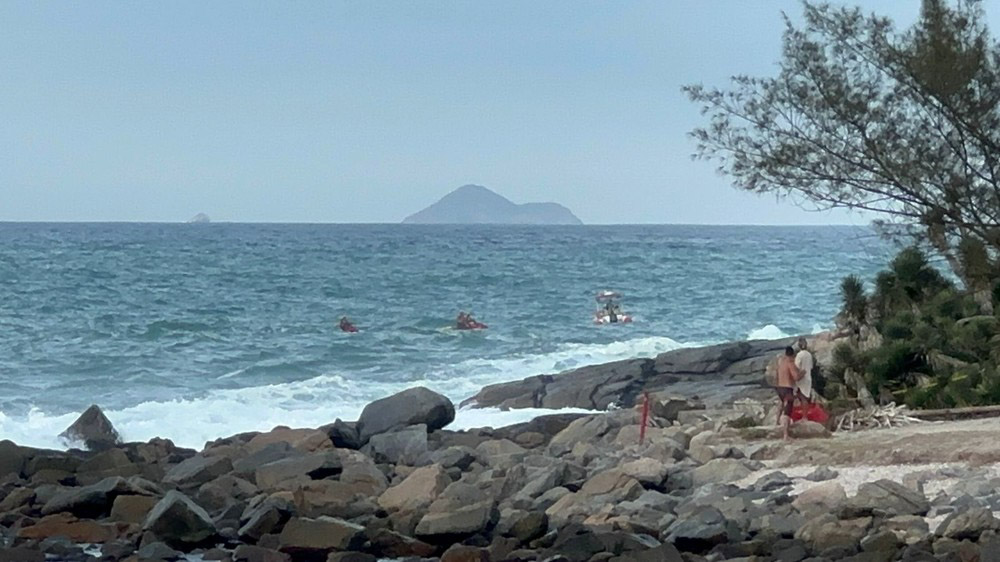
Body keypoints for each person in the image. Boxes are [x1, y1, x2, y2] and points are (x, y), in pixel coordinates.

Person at [776, 346, 801, 440]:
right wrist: (802, 372)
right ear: (793, 354)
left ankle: (777, 423)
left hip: (779, 387)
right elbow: (796, 377)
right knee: (787, 410)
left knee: (780, 405)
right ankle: (786, 435)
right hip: (787, 388)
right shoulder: (790, 363)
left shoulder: (781, 362)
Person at [794, 337, 814, 404]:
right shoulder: (809, 355)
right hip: (808, 378)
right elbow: (811, 367)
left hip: (802, 378)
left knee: (802, 396)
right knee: (807, 395)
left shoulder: (799, 355)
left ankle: (804, 412)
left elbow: (796, 366)